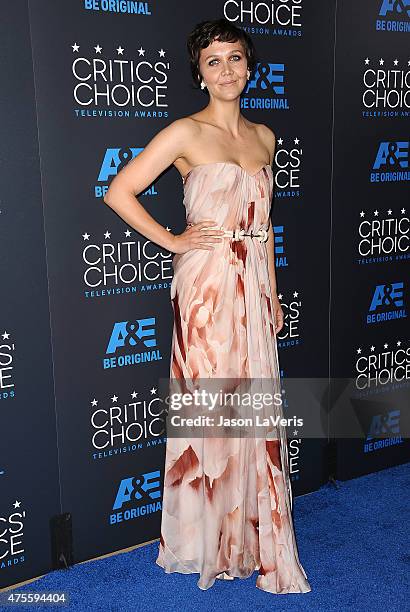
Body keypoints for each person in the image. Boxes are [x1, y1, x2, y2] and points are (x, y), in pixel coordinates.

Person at [104, 18, 311, 594]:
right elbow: (118, 191)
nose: (227, 70)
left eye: (236, 58)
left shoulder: (265, 137)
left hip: (252, 283)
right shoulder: (185, 133)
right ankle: (205, 542)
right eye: (214, 61)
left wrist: (271, 294)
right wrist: (173, 240)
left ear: (250, 66)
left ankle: (250, 534)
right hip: (207, 287)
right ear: (199, 73)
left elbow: (265, 230)